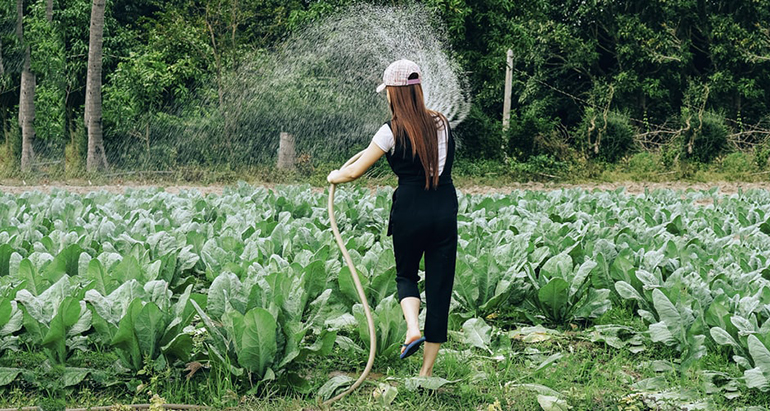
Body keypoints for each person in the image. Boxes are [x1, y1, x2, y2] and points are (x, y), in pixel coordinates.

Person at [327, 59, 458, 377]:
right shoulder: (441, 123)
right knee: (439, 287)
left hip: (410, 211)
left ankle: (413, 328)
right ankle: (425, 374)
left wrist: (334, 176)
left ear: (395, 95)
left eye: (388, 92)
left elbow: (355, 171)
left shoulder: (390, 132)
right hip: (443, 209)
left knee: (407, 276)